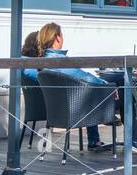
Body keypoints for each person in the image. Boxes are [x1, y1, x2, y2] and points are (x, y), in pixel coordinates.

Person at [24, 22, 113, 152]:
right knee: (119, 87)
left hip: (58, 108)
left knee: (89, 92)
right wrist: (108, 85)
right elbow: (87, 77)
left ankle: (103, 127)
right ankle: (128, 136)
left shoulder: (40, 64)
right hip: (76, 110)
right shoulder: (60, 61)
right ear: (58, 38)